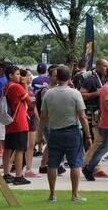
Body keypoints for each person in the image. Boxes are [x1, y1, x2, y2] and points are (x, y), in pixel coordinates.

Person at [38, 66, 89, 202]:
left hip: (54, 132)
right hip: (72, 131)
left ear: (56, 77)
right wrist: (88, 135)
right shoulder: (75, 93)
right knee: (74, 164)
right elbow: (82, 116)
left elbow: (43, 117)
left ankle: (52, 194)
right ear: (70, 78)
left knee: (52, 164)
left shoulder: (48, 93)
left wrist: (39, 135)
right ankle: (74, 194)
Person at [2, 65, 32, 185]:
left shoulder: (6, 87)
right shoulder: (17, 87)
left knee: (8, 149)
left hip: (10, 122)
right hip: (19, 122)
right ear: (10, 75)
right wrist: (24, 84)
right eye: (18, 74)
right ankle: (19, 175)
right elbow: (28, 99)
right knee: (20, 149)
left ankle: (6, 173)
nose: (20, 76)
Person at [80, 58, 108, 178]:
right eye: (104, 66)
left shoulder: (104, 79)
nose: (107, 68)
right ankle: (91, 166)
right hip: (92, 113)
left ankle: (90, 164)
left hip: (101, 113)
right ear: (97, 66)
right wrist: (96, 93)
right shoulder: (91, 80)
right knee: (98, 140)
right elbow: (81, 94)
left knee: (99, 141)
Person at [20, 69, 41, 178]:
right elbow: (26, 99)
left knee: (31, 144)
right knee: (22, 145)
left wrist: (38, 119)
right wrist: (23, 84)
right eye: (28, 76)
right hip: (24, 118)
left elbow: (34, 106)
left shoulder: (31, 89)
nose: (30, 77)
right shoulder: (22, 89)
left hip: (32, 119)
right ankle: (10, 165)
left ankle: (28, 169)